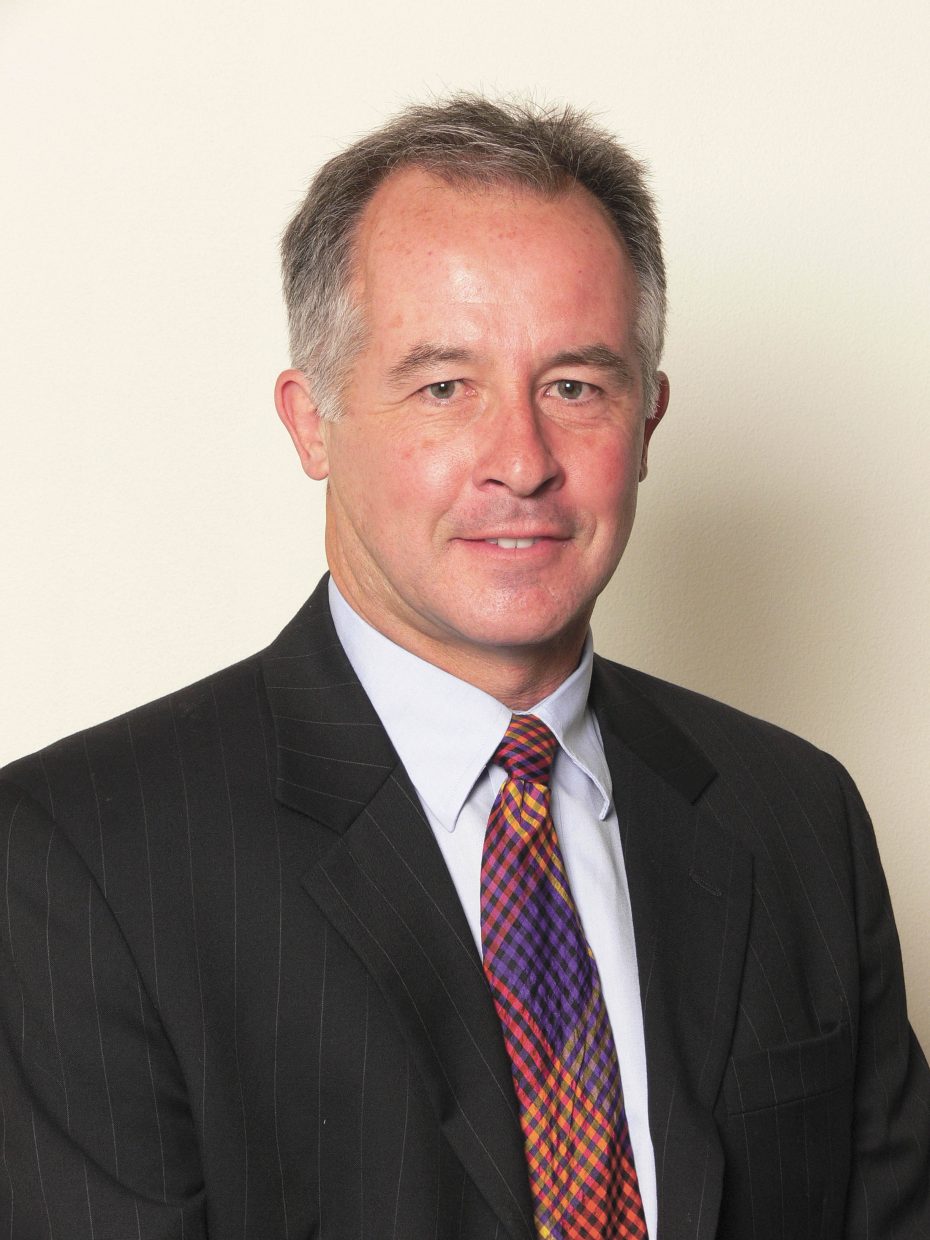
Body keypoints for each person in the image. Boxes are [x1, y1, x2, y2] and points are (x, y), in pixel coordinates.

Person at [1, 96, 927, 1240]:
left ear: (647, 421)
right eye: (445, 386)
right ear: (312, 421)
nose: (522, 461)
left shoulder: (797, 817)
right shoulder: (78, 859)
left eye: (575, 385)